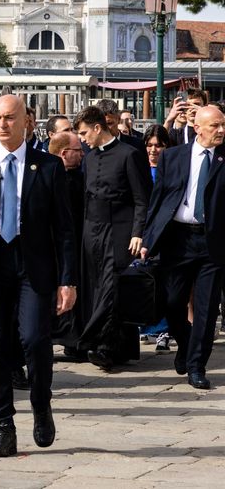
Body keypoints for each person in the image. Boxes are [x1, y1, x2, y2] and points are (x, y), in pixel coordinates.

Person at [0, 94, 77, 458]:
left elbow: (65, 230)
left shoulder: (49, 167)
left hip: (32, 263)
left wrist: (67, 280)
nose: (3, 124)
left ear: (27, 121)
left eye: (10, 118)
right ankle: (3, 426)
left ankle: (41, 403)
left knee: (35, 340)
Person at [141, 105, 225, 389]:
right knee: (171, 301)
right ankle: (187, 346)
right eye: (215, 126)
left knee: (205, 308)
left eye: (223, 124)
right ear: (198, 128)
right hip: (177, 239)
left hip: (213, 243)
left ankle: (196, 366)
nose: (221, 130)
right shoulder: (173, 157)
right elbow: (158, 200)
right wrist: (147, 237)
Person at [74, 105, 150, 370]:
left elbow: (142, 198)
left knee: (111, 287)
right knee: (96, 286)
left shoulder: (129, 154)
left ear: (98, 128)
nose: (82, 139)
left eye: (84, 133)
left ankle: (102, 345)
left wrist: (138, 232)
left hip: (119, 231)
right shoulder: (89, 157)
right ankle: (111, 347)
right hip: (91, 230)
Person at [47, 130, 88, 360]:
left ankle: (74, 341)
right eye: (78, 151)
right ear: (64, 153)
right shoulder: (48, 175)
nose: (82, 155)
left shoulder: (79, 178)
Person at [138, 124, 171, 352]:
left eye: (158, 145)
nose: (153, 150)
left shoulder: (171, 169)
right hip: (142, 233)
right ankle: (146, 327)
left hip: (166, 234)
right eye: (149, 145)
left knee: (163, 283)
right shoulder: (139, 169)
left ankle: (163, 330)